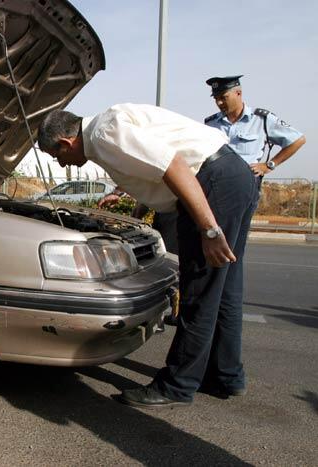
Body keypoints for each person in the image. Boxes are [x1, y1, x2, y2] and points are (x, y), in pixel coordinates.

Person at [38, 105, 256, 408]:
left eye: (57, 157)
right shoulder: (107, 126)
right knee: (226, 287)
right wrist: (141, 208)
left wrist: (209, 230)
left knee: (199, 291)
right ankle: (226, 376)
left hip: (210, 184)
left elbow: (174, 166)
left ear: (66, 142)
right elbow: (151, 168)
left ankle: (177, 385)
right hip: (234, 175)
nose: (62, 166)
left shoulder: (104, 134)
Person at [204, 75, 305, 202]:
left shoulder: (261, 120)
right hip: (214, 188)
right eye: (216, 98)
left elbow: (297, 140)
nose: (219, 103)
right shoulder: (211, 123)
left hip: (244, 188)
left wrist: (270, 165)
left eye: (223, 98)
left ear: (238, 93)